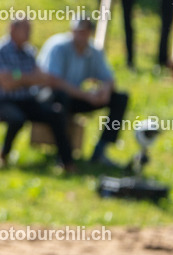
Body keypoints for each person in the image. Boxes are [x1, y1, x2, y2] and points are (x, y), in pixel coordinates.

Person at [0, 18, 75, 171]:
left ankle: (66, 162)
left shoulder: (29, 52)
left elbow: (42, 78)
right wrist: (26, 77)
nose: (28, 34)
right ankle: (4, 154)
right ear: (12, 29)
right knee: (17, 119)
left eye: (29, 30)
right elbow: (6, 84)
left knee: (56, 113)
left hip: (26, 99)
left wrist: (17, 76)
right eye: (25, 30)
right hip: (0, 101)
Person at [38, 18, 128, 167]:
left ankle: (101, 150)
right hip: (49, 97)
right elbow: (53, 81)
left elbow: (109, 79)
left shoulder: (94, 51)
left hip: (76, 97)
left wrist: (105, 91)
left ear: (89, 33)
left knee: (120, 98)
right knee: (61, 97)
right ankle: (63, 154)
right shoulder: (58, 46)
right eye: (77, 31)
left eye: (84, 32)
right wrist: (86, 95)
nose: (80, 35)